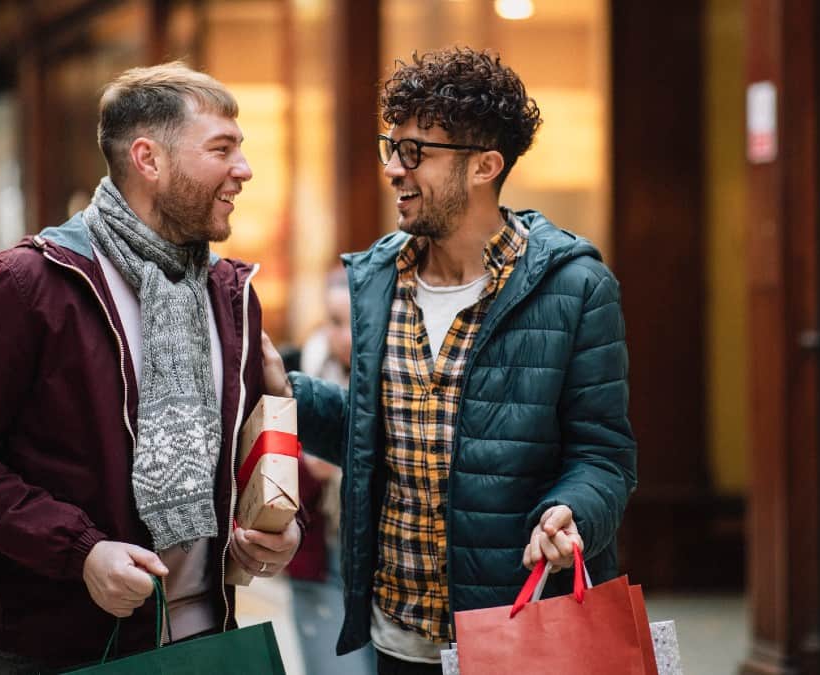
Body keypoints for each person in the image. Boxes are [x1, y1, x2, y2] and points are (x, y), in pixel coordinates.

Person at [0, 61, 300, 673]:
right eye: (222, 149)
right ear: (149, 159)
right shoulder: (27, 284)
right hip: (61, 649)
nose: (244, 170)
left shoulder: (231, 292)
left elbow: (245, 444)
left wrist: (276, 528)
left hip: (208, 640)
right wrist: (81, 553)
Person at [261, 47, 638, 675]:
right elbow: (375, 432)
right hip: (396, 635)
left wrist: (573, 511)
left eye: (414, 152)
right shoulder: (376, 277)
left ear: (484, 167)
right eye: (391, 146)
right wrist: (284, 386)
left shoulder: (575, 287)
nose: (391, 169)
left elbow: (604, 456)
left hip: (515, 630)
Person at [285, 266, 377, 675]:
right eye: (336, 322)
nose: (345, 337)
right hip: (318, 561)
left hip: (379, 565)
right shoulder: (299, 375)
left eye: (356, 324)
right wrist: (308, 463)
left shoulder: (393, 383)